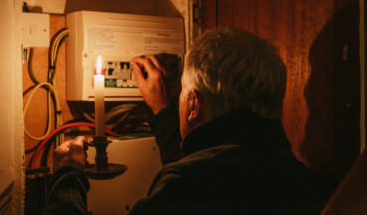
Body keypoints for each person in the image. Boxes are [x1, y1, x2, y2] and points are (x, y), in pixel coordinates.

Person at [43, 28, 327, 215]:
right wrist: (163, 108)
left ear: (194, 105)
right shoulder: (301, 181)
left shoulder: (186, 187)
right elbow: (207, 158)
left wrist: (68, 176)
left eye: (182, 93)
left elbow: (199, 175)